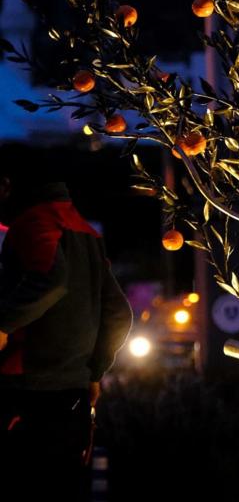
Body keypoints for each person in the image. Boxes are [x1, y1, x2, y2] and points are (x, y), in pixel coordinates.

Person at [0, 144, 132, 501]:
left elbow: (50, 280)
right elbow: (119, 312)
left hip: (25, 395)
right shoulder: (84, 230)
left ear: (6, 185)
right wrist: (94, 373)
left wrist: (3, 324)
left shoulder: (34, 222)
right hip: (72, 399)